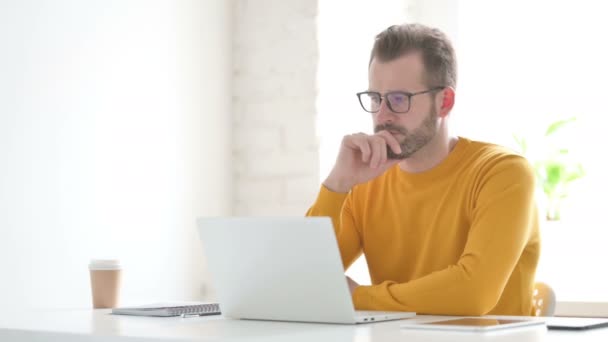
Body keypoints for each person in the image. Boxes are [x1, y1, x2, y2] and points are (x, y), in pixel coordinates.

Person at [306, 23, 540, 316]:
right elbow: (301, 278)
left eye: (399, 99)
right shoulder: (364, 181)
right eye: (376, 98)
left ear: (445, 102)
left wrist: (357, 297)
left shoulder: (503, 173)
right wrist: (337, 183)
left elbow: (473, 294)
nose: (382, 115)